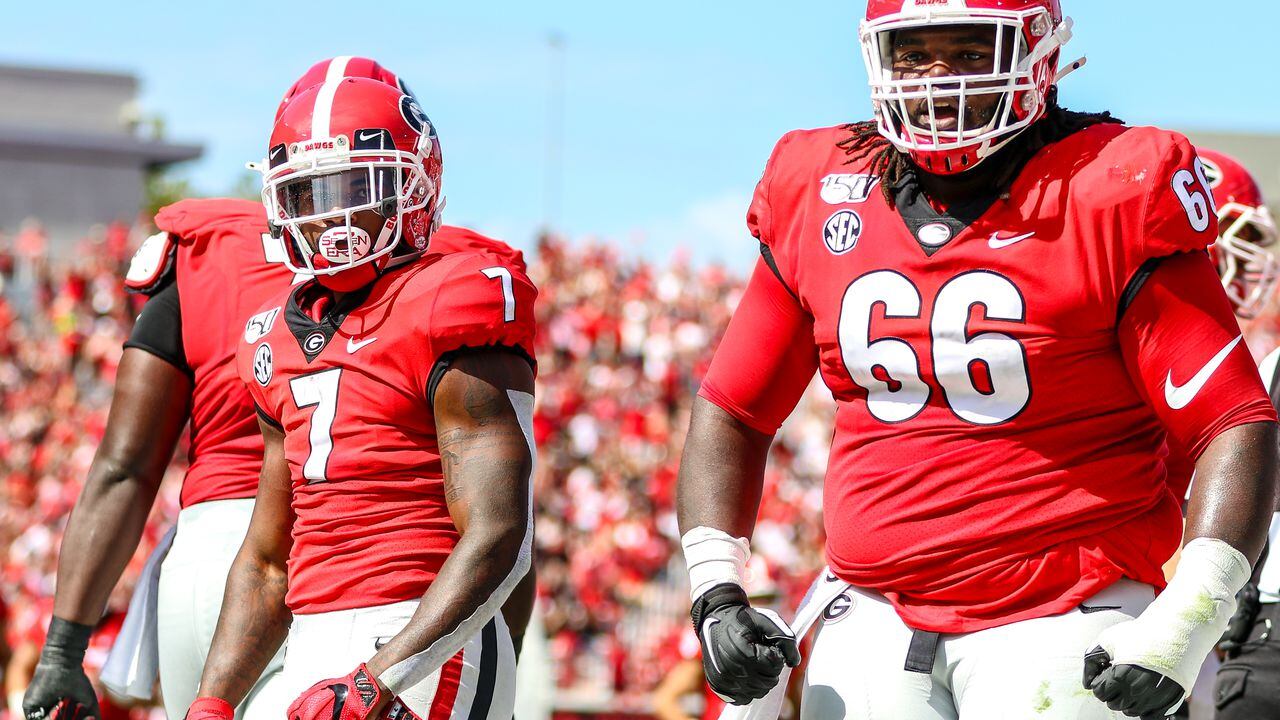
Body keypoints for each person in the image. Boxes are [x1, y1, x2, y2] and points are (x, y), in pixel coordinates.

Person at [676, 1, 1279, 718]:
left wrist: (1188, 617)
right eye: (913, 54)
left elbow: (1234, 420)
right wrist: (716, 589)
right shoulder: (820, 184)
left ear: (1038, 55)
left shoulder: (1112, 185)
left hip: (1062, 614)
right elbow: (734, 410)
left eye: (969, 53)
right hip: (869, 611)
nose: (938, 81)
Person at [19, 57, 429, 720]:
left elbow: (124, 468)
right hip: (342, 556)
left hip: (207, 562)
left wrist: (63, 650)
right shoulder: (440, 276)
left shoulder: (206, 257)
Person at [184, 77, 537, 720]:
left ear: (414, 183)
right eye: (304, 194)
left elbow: (501, 532)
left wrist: (381, 678)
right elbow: (268, 561)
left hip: (427, 633)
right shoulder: (272, 339)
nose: (327, 217)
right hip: (313, 636)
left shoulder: (453, 296)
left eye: (352, 186)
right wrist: (213, 700)